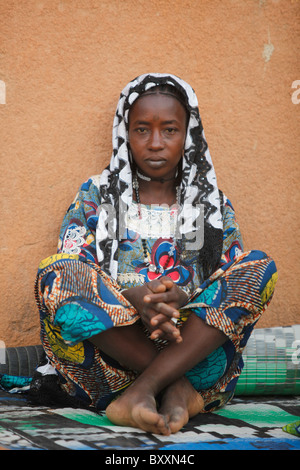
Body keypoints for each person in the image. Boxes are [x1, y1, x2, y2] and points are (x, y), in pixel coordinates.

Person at [33, 73, 277, 435]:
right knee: (57, 271)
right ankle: (173, 389)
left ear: (188, 135)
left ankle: (147, 389)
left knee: (259, 268)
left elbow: (226, 287)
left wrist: (184, 299)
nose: (156, 143)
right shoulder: (97, 195)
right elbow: (74, 277)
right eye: (142, 130)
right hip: (106, 373)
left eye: (170, 130)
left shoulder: (209, 207)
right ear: (125, 134)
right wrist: (135, 300)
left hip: (196, 363)